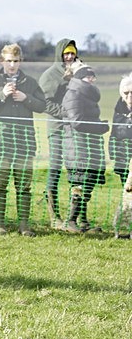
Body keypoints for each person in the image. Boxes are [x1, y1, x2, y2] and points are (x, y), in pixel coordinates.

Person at [0, 44, 46, 236]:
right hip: (1, 144)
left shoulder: (31, 83)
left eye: (15, 61)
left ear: (20, 61)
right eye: (8, 61)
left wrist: (26, 98)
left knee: (23, 185)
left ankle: (24, 226)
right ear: (2, 61)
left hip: (25, 144)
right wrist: (1, 95)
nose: (12, 65)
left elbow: (42, 106)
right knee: (0, 184)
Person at [61, 64, 108, 233]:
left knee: (88, 183)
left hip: (89, 145)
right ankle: (71, 221)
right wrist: (101, 127)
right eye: (89, 77)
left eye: (93, 77)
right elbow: (78, 122)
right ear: (80, 78)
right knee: (79, 183)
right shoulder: (73, 94)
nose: (92, 80)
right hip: (77, 145)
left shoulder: (87, 94)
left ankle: (83, 221)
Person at [38, 39, 80, 227]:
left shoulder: (80, 71)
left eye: (72, 53)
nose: (69, 57)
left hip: (77, 130)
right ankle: (54, 216)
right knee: (55, 169)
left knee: (77, 171)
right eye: (66, 54)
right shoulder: (49, 75)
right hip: (57, 129)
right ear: (59, 55)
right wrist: (66, 113)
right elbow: (44, 102)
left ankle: (78, 218)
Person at [109, 73, 132, 185]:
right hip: (123, 155)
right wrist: (113, 152)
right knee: (126, 186)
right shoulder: (118, 109)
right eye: (126, 93)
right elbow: (114, 132)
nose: (130, 96)